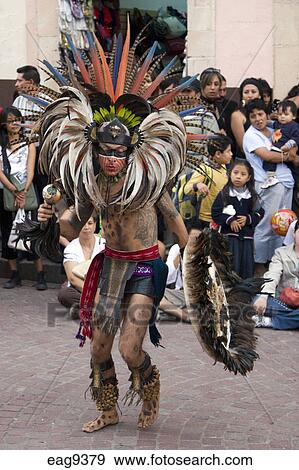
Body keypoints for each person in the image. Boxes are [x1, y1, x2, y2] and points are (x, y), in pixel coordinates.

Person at [31, 25, 189, 433]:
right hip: (109, 266)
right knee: (99, 347)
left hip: (142, 267)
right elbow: (71, 221)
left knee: (128, 347)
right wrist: (49, 219)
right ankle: (109, 409)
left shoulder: (149, 181)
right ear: (95, 149)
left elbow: (174, 221)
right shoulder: (93, 184)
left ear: (132, 150)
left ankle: (148, 389)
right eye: (106, 151)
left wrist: (195, 260)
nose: (113, 159)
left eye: (120, 152)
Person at [243, 99, 298, 276]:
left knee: (283, 226)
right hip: (268, 185)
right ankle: (259, 265)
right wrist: (290, 157)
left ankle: (276, 264)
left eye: (260, 114)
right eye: (253, 116)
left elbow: (293, 147)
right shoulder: (251, 135)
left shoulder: (276, 128)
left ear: (267, 114)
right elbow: (267, 156)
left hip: (285, 182)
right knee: (266, 225)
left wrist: (291, 155)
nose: (258, 119)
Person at [0, 106, 47, 290]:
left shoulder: (29, 143)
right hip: (5, 191)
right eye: (10, 121)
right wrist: (12, 189)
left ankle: (40, 275)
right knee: (6, 231)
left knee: (30, 230)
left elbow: (31, 168)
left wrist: (24, 190)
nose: (15, 124)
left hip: (26, 191)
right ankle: (14, 274)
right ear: (3, 124)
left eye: (17, 120)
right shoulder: (1, 144)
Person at [211, 159, 264, 278]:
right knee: (230, 264)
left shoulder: (252, 196)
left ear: (249, 177)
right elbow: (215, 212)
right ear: (229, 174)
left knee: (246, 265)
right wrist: (230, 220)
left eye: (243, 174)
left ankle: (244, 292)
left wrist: (248, 219)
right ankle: (229, 290)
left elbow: (260, 212)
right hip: (229, 238)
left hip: (246, 239)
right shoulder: (224, 194)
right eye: (235, 173)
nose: (238, 177)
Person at [253, 220, 299, 329]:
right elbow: (273, 274)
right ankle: (292, 319)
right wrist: (264, 296)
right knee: (257, 300)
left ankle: (269, 321)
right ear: (293, 232)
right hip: (282, 302)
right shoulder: (281, 252)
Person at [57, 216, 105, 319]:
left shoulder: (103, 244)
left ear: (95, 224)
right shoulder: (71, 247)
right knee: (64, 294)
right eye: (83, 224)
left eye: (90, 223)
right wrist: (94, 293)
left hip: (102, 286)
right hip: (82, 287)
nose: (86, 227)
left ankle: (84, 310)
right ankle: (94, 309)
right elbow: (72, 279)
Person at [183, 134, 233, 231]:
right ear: (218, 154)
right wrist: (197, 185)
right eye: (228, 151)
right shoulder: (205, 169)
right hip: (206, 220)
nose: (231, 154)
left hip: (221, 217)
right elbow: (187, 189)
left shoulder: (224, 167)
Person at [261, 100, 299, 189]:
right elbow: (271, 123)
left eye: (286, 114)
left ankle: (272, 177)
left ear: (293, 116)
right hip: (278, 148)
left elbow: (296, 138)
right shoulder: (278, 123)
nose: (282, 117)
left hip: (286, 149)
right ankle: (271, 176)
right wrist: (264, 122)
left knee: (271, 159)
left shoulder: (294, 126)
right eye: (280, 114)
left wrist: (288, 145)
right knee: (269, 161)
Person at [230, 77, 263, 157]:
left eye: (253, 92)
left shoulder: (264, 113)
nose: (250, 95)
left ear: (260, 95)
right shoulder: (237, 115)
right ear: (242, 96)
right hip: (246, 160)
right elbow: (243, 146)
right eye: (246, 92)